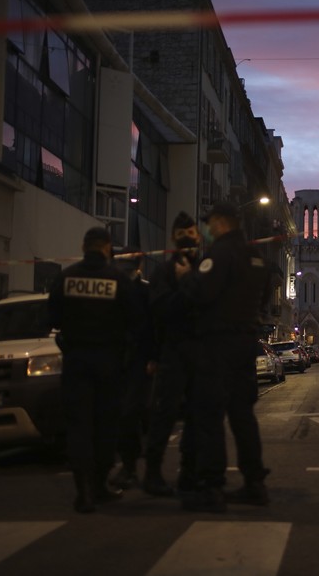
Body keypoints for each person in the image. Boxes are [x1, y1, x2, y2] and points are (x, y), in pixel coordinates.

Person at [174, 201, 271, 512]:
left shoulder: (220, 253)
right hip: (246, 341)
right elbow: (266, 294)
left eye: (210, 223)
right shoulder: (256, 256)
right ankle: (254, 482)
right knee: (243, 414)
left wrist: (186, 275)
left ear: (219, 223)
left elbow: (200, 293)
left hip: (218, 343)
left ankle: (212, 486)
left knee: (210, 415)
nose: (207, 229)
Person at [48, 226, 141, 513]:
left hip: (76, 362)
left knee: (78, 427)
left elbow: (53, 318)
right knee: (104, 426)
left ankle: (83, 491)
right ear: (107, 247)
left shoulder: (66, 278)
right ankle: (100, 486)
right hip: (109, 364)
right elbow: (134, 321)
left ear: (84, 246)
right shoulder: (118, 280)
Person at [140, 212, 202, 497]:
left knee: (196, 417)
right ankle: (152, 473)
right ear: (173, 237)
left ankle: (189, 472)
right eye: (182, 232)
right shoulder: (164, 273)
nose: (188, 237)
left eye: (191, 231)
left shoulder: (204, 269)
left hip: (198, 355)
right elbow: (157, 314)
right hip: (173, 352)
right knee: (164, 415)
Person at [109, 247, 156, 490]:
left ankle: (133, 466)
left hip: (138, 360)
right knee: (121, 414)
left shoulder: (145, 292)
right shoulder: (111, 291)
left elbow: (153, 328)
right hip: (116, 360)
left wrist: (152, 358)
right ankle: (129, 464)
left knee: (132, 412)